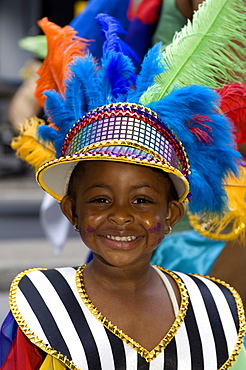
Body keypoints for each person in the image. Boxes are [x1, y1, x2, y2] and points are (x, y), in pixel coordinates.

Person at [1, 1, 246, 368]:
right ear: (71, 209)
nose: (121, 216)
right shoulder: (43, 306)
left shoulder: (219, 310)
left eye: (141, 202)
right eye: (101, 199)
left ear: (171, 209)